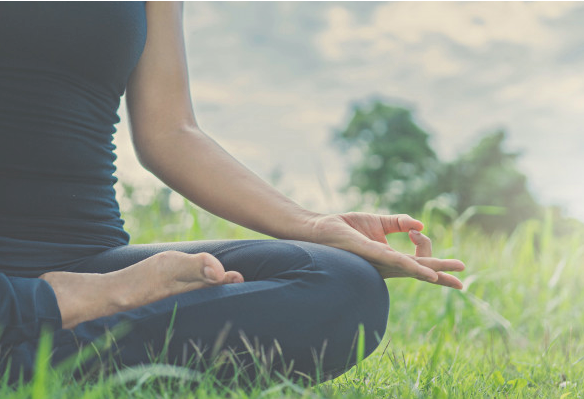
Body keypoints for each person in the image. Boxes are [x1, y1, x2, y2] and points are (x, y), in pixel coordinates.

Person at [0, 2, 465, 386]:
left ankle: (27, 362)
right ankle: (51, 310)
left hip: (87, 256)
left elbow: (171, 131)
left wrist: (315, 226)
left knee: (342, 283)